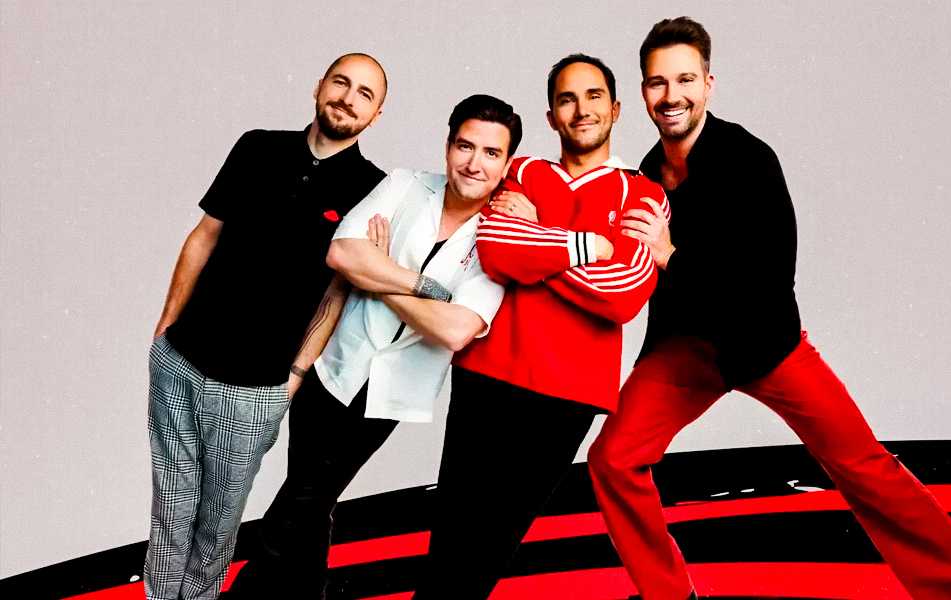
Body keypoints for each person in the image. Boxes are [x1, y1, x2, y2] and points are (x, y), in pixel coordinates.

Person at [586, 17, 951, 600]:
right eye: (658, 83)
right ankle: (669, 596)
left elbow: (764, 286)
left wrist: (672, 254)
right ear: (642, 92)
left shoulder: (750, 160)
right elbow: (633, 270)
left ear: (708, 84)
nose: (671, 95)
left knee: (865, 468)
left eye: (684, 79)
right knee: (612, 457)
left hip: (767, 344)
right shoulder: (645, 174)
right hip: (687, 350)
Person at [225, 94, 515, 600]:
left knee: (303, 500)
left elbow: (456, 330)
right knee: (314, 505)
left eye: (491, 153)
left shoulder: (505, 232)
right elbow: (342, 253)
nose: (475, 163)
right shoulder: (404, 184)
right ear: (448, 146)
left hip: (389, 392)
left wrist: (379, 277)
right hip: (332, 367)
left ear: (507, 163)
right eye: (465, 146)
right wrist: (423, 287)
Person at [413, 55, 669, 600]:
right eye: (566, 99)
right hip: (489, 373)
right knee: (450, 542)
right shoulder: (523, 170)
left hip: (568, 394)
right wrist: (590, 248)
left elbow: (625, 292)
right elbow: (497, 249)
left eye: (593, 96)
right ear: (551, 116)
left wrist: (539, 245)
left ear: (616, 109)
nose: (582, 110)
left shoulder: (644, 193)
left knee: (488, 551)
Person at [145, 53, 388, 600]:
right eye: (341, 83)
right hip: (181, 360)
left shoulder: (372, 189)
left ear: (376, 115)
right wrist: (166, 326)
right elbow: (205, 234)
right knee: (169, 512)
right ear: (318, 86)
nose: (348, 98)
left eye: (365, 94)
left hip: (257, 387)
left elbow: (338, 291)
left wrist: (295, 376)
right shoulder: (257, 147)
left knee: (216, 525)